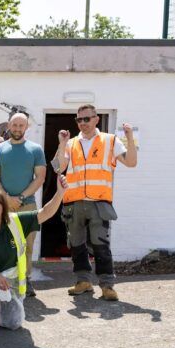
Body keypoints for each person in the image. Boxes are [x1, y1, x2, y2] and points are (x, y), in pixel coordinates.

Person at [52, 104, 138, 301]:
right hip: (74, 202)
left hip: (99, 203)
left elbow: (131, 162)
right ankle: (83, 281)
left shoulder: (110, 141)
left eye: (86, 119)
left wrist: (130, 138)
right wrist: (61, 143)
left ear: (96, 119)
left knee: (101, 244)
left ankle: (107, 285)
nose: (82, 123)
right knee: (76, 244)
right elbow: (58, 166)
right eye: (79, 120)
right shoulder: (72, 143)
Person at [0, 176, 69, 334]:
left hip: (11, 281)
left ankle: (3, 306)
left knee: (13, 324)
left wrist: (60, 193)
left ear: (3, 208)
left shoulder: (16, 221)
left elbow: (45, 213)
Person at [0, 112, 46, 296]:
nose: (17, 129)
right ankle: (6, 279)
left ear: (26, 127)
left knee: (27, 245)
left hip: (27, 205)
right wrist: (6, 198)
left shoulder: (35, 149)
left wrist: (20, 198)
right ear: (9, 126)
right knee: (5, 244)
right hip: (3, 206)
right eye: (14, 125)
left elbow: (40, 178)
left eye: (21, 126)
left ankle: (26, 279)